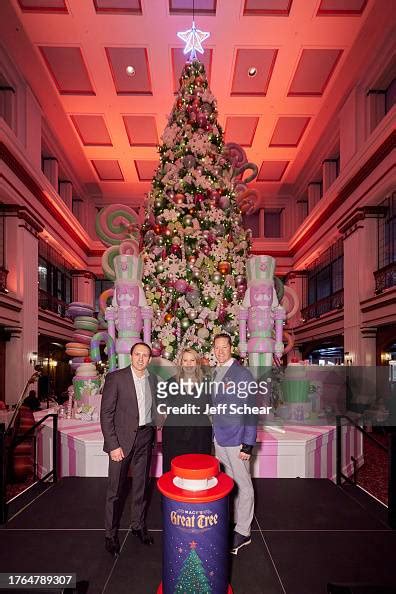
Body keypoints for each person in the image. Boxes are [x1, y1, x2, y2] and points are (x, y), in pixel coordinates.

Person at [100, 342, 157, 556]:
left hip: (145, 438)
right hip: (121, 442)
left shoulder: (152, 379)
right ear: (131, 356)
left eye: (145, 355)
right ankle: (110, 534)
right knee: (115, 491)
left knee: (141, 487)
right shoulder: (116, 378)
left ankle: (137, 526)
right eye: (137, 354)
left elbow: (154, 407)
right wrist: (113, 445)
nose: (141, 358)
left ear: (150, 359)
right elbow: (106, 415)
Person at [211, 333, 257, 555]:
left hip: (237, 439)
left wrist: (248, 444)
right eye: (216, 348)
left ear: (231, 348)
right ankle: (235, 522)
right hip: (219, 438)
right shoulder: (215, 372)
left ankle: (244, 532)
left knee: (244, 485)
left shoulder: (242, 374)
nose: (220, 352)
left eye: (224, 347)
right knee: (230, 484)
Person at [161, 348, 212, 473]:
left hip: (200, 434)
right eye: (185, 360)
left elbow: (211, 407)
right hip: (174, 434)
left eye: (192, 360)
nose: (189, 364)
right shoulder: (169, 382)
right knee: (173, 470)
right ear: (181, 363)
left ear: (197, 362)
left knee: (199, 469)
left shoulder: (207, 383)